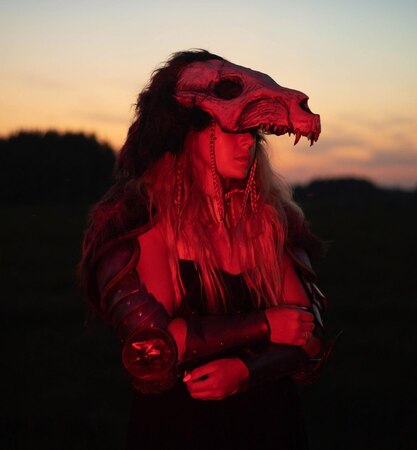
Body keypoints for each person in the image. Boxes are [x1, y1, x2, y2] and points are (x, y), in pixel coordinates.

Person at [79, 49, 337, 450]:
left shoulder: (270, 220)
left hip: (268, 419)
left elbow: (311, 337)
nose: (248, 144)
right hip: (181, 423)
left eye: (254, 133)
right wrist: (268, 325)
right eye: (233, 129)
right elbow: (156, 347)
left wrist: (246, 370)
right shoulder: (149, 222)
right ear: (187, 134)